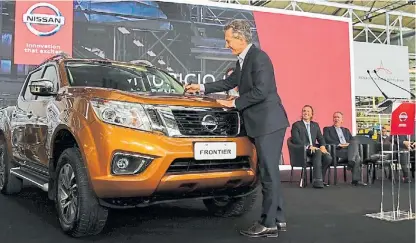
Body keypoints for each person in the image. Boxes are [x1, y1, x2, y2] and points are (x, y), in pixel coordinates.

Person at [184, 19, 289, 238]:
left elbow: (262, 91)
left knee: (268, 174)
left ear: (240, 39)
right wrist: (201, 87)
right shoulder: (244, 60)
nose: (226, 45)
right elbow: (229, 82)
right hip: (262, 124)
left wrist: (234, 103)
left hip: (268, 124)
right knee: (268, 172)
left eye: (228, 40)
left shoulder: (259, 58)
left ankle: (267, 223)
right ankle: (278, 219)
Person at [291, 105, 332, 188]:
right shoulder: (296, 125)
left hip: (314, 150)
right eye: (304, 111)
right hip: (302, 150)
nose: (306, 113)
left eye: (308, 111)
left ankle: (320, 179)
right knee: (317, 151)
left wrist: (323, 146)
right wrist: (309, 146)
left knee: (328, 158)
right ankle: (317, 181)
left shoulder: (315, 125)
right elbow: (296, 140)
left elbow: (321, 138)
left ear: (311, 114)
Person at [323, 112, 366, 186]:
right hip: (337, 151)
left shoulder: (346, 130)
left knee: (355, 143)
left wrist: (348, 144)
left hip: (348, 151)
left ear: (342, 120)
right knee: (357, 157)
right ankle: (354, 174)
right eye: (335, 117)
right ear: (333, 119)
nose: (336, 119)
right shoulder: (327, 129)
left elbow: (352, 140)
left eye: (338, 117)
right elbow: (327, 139)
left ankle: (351, 163)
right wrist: (340, 144)